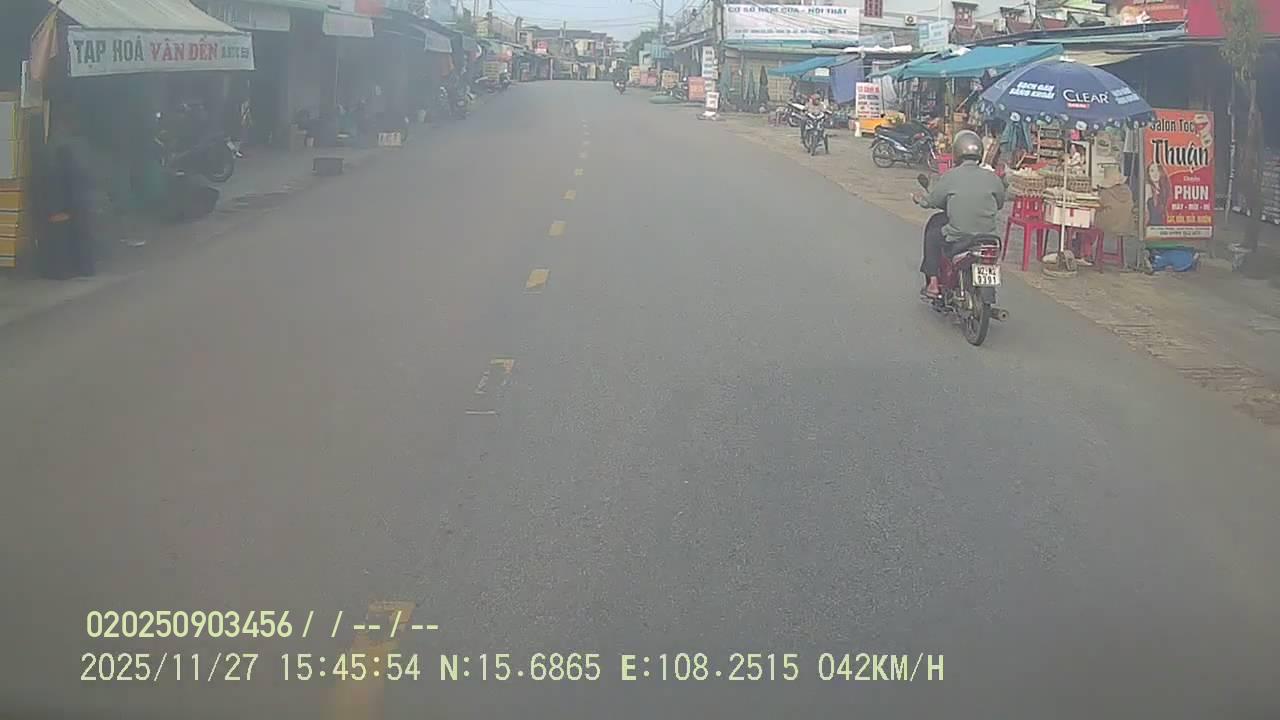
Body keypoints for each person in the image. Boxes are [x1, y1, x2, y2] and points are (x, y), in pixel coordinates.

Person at [913, 129, 1008, 298]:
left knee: (933, 232)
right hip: (988, 236)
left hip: (958, 235)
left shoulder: (950, 176)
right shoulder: (992, 177)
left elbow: (932, 201)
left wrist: (920, 199)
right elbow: (1000, 203)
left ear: (957, 152)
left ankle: (933, 283)